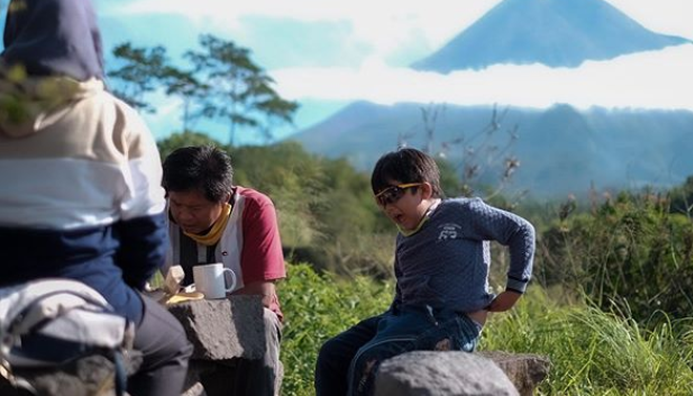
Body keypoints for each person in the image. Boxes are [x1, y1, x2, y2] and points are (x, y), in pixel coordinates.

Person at [0, 0, 192, 396]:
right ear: (87, 35)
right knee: (172, 347)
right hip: (88, 287)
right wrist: (123, 288)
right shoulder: (118, 120)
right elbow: (146, 241)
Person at [315, 147, 536, 396]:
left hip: (453, 321)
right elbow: (405, 288)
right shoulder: (404, 238)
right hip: (408, 318)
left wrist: (514, 290)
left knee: (369, 359)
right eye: (380, 200)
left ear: (424, 189)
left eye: (393, 194)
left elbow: (521, 230)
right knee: (332, 353)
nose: (388, 206)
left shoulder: (461, 212)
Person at [162, 145, 286, 396]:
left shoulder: (253, 209)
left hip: (237, 323)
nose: (184, 215)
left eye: (195, 208)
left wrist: (192, 308)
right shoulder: (157, 211)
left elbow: (259, 296)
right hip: (180, 323)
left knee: (261, 321)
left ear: (223, 199)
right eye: (176, 204)